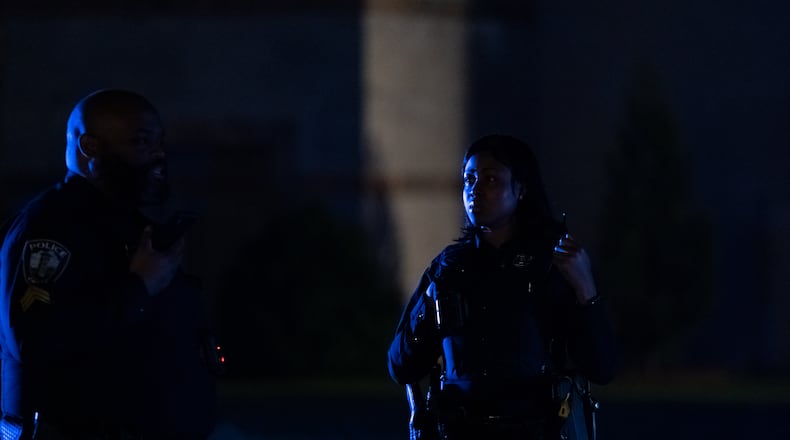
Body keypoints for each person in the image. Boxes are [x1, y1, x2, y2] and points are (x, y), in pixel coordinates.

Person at [0, 90, 217, 439]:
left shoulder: (122, 224)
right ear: (90, 147)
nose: (159, 154)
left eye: (160, 142)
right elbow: (33, 341)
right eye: (141, 142)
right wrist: (141, 286)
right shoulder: (51, 225)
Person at [387, 134, 619, 440]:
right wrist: (427, 309)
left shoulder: (552, 264)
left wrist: (584, 286)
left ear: (521, 189)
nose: (475, 189)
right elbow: (400, 366)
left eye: (491, 179)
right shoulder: (448, 268)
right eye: (469, 178)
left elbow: (601, 366)